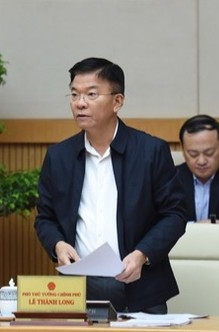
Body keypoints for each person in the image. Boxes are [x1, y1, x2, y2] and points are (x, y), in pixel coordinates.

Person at [34, 57, 187, 313]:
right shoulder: (59, 156)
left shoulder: (150, 151)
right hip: (77, 289)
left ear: (118, 101)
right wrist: (58, 245)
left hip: (141, 288)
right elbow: (45, 218)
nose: (80, 103)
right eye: (74, 94)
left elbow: (175, 214)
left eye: (91, 94)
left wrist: (142, 254)